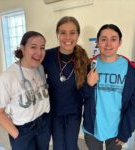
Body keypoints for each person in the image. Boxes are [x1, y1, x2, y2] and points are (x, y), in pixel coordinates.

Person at [82, 24, 135, 150]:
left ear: (120, 42)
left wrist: (126, 132)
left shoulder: (132, 70)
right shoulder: (88, 66)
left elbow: (133, 104)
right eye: (103, 39)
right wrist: (88, 85)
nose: (108, 44)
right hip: (92, 129)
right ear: (97, 42)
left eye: (113, 39)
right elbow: (80, 96)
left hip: (117, 130)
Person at [0, 31, 51, 150]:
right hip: (23, 130)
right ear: (23, 48)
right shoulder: (7, 78)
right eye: (33, 47)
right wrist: (16, 134)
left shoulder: (40, 68)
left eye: (42, 48)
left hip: (43, 124)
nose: (39, 52)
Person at [43, 16, 89, 150]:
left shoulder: (83, 57)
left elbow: (85, 92)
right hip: (54, 111)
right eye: (63, 32)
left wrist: (90, 84)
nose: (67, 37)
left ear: (78, 35)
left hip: (74, 112)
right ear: (57, 35)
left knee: (71, 145)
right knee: (58, 145)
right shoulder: (47, 56)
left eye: (72, 32)